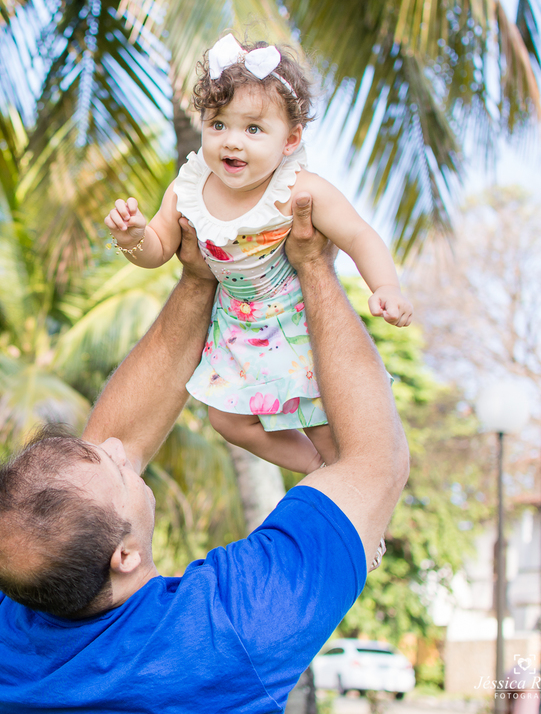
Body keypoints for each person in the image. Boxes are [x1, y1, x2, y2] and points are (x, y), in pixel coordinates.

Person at [0, 195, 410, 713]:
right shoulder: (226, 634)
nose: (112, 446)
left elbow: (111, 451)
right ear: (124, 557)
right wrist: (314, 267)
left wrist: (200, 279)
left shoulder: (10, 612)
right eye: (116, 469)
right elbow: (373, 465)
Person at [104, 33, 412, 475]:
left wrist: (387, 286)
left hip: (297, 322)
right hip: (238, 327)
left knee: (324, 420)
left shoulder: (297, 189)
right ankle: (320, 471)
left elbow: (359, 235)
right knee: (227, 418)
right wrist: (134, 235)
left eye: (253, 129)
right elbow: (158, 248)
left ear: (290, 140)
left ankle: (348, 483)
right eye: (219, 124)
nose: (232, 141)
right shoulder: (188, 188)